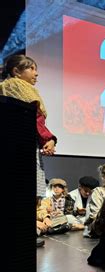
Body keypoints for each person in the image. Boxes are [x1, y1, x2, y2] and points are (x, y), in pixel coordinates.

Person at [0, 55, 57, 198]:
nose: (36, 73)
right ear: (17, 72)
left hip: (19, 144)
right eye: (31, 68)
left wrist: (49, 139)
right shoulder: (16, 86)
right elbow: (34, 119)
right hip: (20, 146)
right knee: (24, 194)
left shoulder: (11, 86)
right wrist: (48, 139)